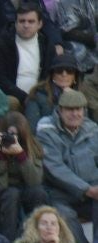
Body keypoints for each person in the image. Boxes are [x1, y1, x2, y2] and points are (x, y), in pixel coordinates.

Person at [36, 90, 98, 232]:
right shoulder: (46, 131)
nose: (75, 114)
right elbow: (55, 168)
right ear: (60, 110)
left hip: (93, 188)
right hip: (60, 193)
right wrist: (87, 189)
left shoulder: (93, 129)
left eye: (79, 109)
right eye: (70, 109)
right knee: (65, 216)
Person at [0, 2, 56, 109]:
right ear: (15, 23)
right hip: (11, 96)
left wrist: (36, 96)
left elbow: (49, 76)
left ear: (40, 24)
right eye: (22, 21)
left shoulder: (47, 46)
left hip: (39, 95)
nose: (26, 25)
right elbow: (0, 79)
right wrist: (25, 97)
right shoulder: (1, 44)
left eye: (31, 22)